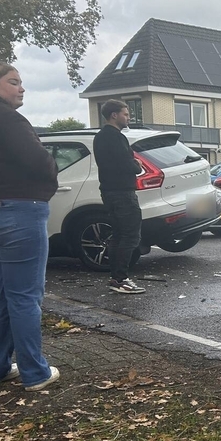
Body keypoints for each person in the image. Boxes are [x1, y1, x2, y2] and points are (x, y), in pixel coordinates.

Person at [0, 57, 60, 392]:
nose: (21, 87)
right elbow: (40, 162)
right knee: (25, 297)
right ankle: (34, 373)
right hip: (18, 213)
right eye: (13, 81)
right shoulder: (8, 118)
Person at [93, 99, 145, 294]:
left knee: (118, 235)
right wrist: (137, 166)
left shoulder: (101, 137)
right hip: (122, 193)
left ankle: (115, 278)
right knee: (130, 235)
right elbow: (126, 163)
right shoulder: (115, 137)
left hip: (109, 191)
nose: (128, 117)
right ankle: (121, 279)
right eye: (125, 113)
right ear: (114, 115)